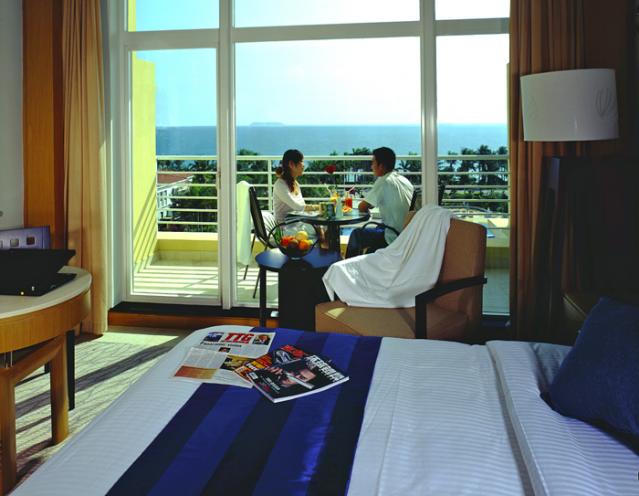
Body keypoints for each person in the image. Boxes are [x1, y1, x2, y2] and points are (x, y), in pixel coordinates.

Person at [345, 147, 414, 258]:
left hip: (392, 237)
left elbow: (362, 207)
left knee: (357, 234)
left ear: (381, 166)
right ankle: (366, 261)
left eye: (373, 163)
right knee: (373, 241)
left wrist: (367, 207)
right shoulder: (403, 180)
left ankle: (348, 266)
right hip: (408, 236)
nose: (371, 166)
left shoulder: (384, 181)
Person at [273, 149, 307, 223]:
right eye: (301, 161)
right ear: (291, 164)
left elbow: (302, 205)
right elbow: (298, 207)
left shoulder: (296, 184)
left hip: (296, 222)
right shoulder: (280, 185)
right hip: (284, 226)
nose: (303, 165)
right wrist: (317, 208)